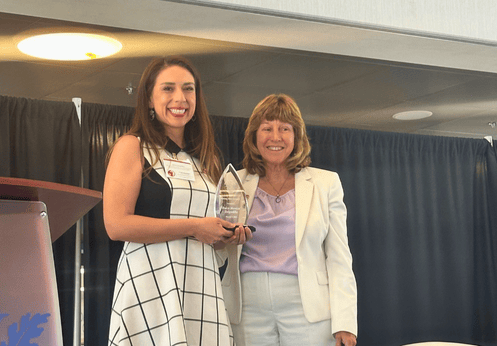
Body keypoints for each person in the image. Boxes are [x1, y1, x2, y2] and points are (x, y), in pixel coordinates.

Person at [103, 56, 250, 346]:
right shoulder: (132, 146)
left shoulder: (204, 159)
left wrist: (225, 236)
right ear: (149, 99)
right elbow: (116, 224)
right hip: (150, 279)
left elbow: (206, 233)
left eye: (188, 89)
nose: (179, 98)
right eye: (168, 89)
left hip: (200, 282)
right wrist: (194, 227)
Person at [217, 94, 358, 346]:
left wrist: (345, 322)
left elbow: (339, 258)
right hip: (246, 306)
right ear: (253, 136)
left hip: (308, 307)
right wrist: (224, 238)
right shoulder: (232, 182)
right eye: (266, 128)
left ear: (297, 136)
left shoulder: (326, 183)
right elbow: (216, 253)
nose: (275, 137)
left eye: (284, 129)